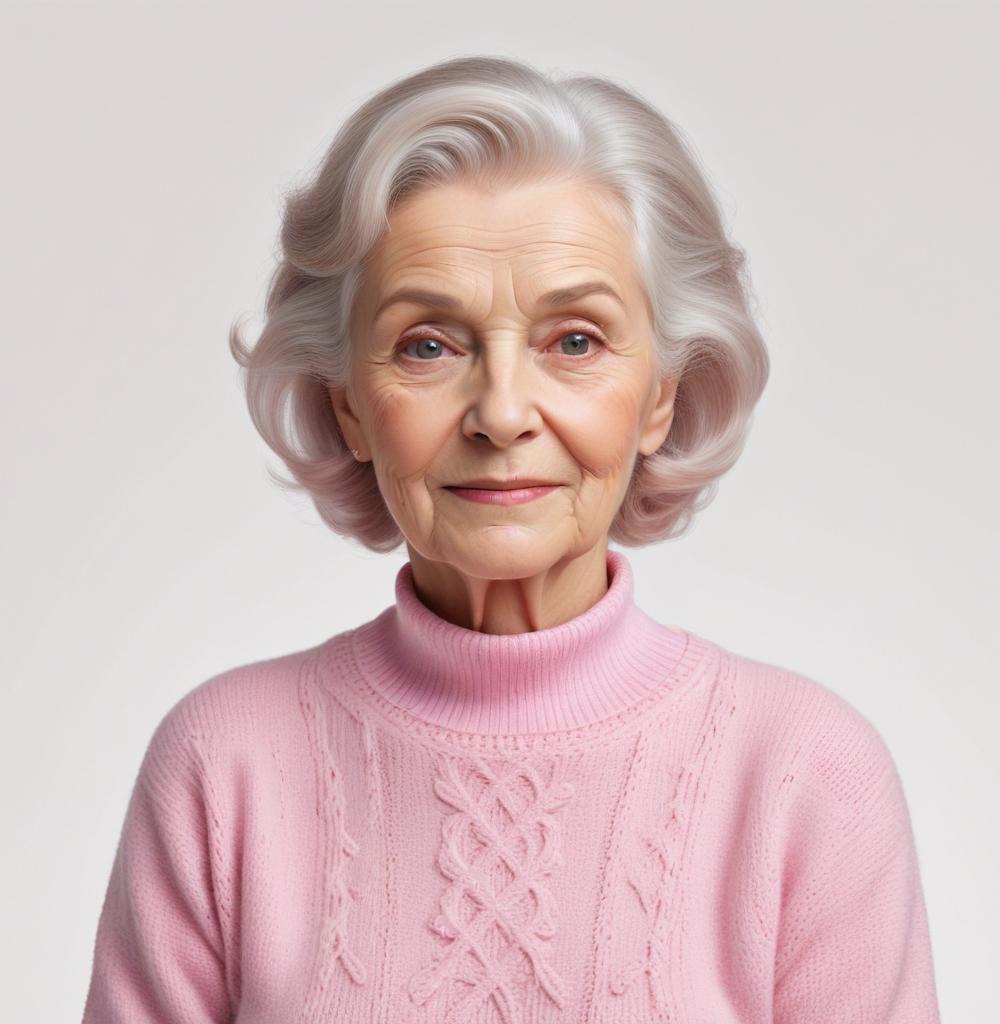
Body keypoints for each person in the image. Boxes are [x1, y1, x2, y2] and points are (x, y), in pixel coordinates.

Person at [82, 55, 941, 1023]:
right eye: (428, 345)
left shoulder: (804, 774)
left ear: (658, 395)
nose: (499, 411)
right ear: (351, 408)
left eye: (574, 340)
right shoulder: (222, 761)